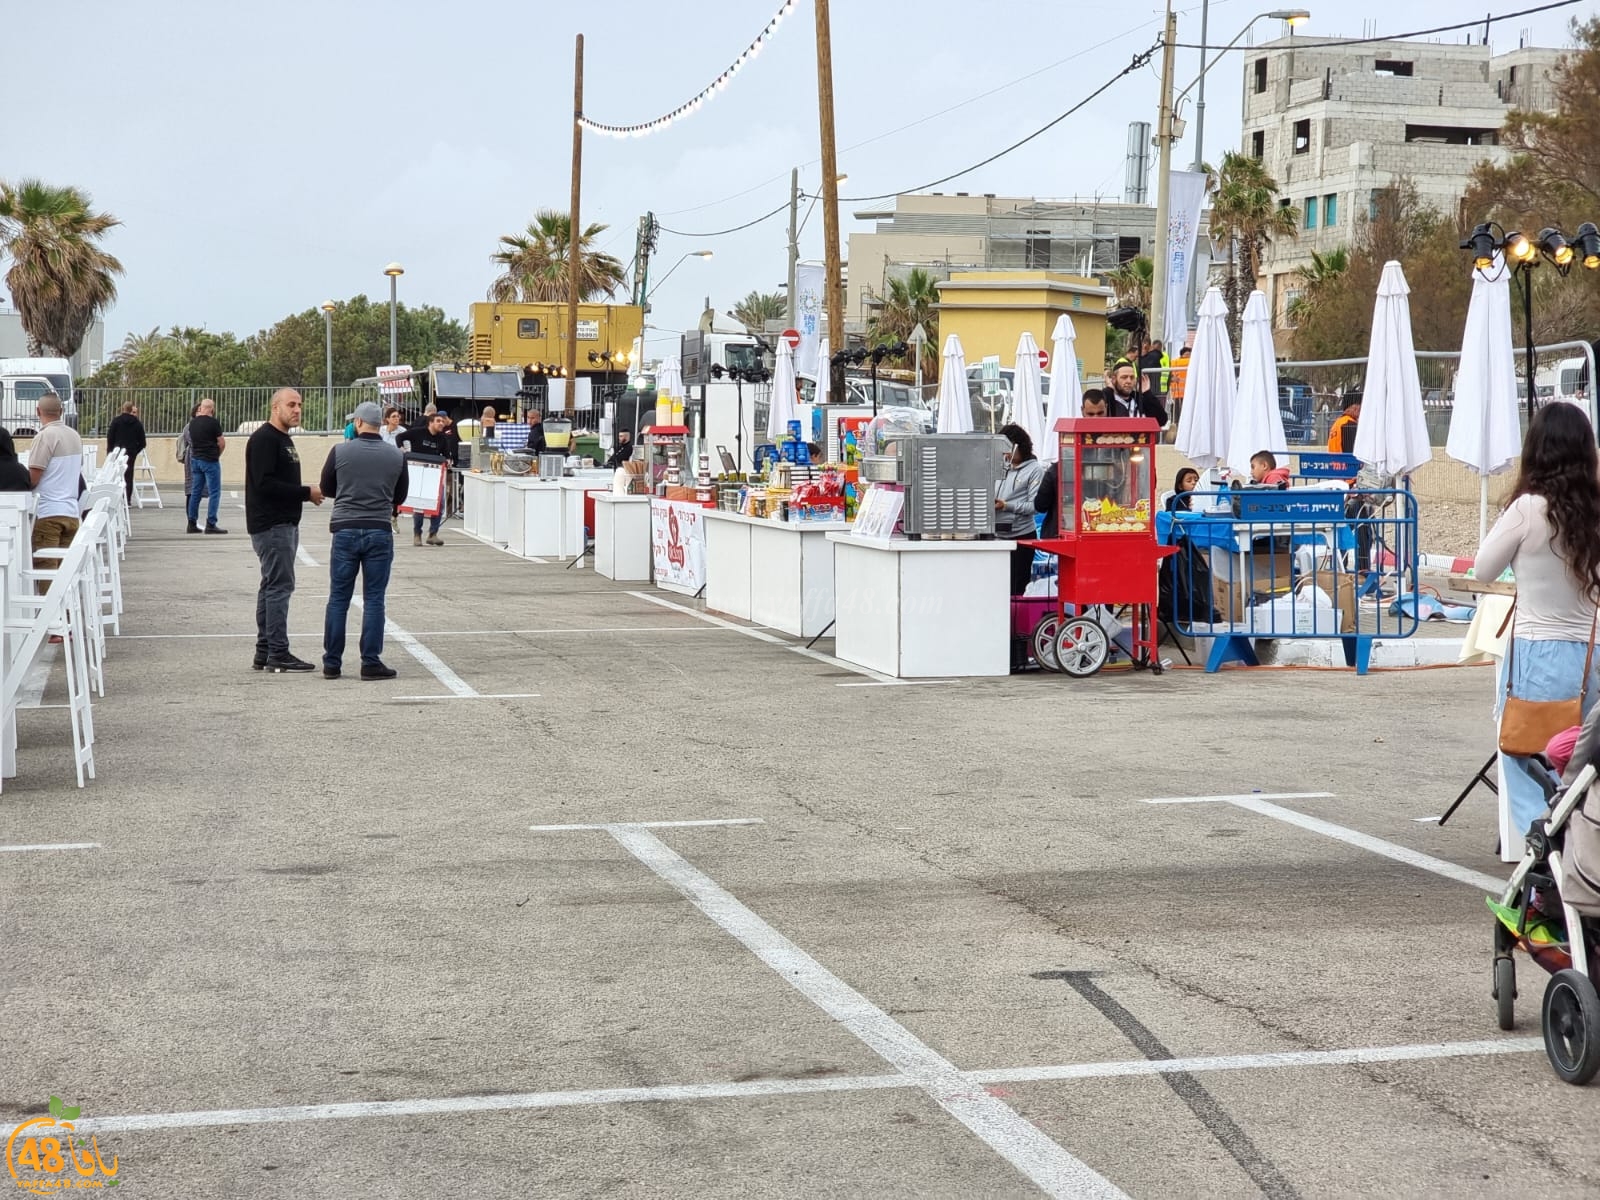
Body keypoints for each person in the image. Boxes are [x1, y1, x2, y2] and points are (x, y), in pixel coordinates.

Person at [1474, 402, 1600, 860]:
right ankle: (1582, 850)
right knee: (1585, 762)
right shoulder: (1596, 509)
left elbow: (1485, 567)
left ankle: (1542, 855)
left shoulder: (1527, 509)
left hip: (1538, 650)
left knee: (1526, 753)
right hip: (1592, 650)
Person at [320, 402, 408, 681]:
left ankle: (332, 662)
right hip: (378, 529)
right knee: (374, 599)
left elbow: (326, 487)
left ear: (358, 423)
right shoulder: (395, 455)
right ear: (380, 424)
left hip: (345, 528)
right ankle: (370, 661)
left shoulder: (340, 451)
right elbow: (401, 495)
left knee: (338, 598)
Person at [246, 388, 325, 673]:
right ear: (275, 407)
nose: (297, 410)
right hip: (272, 525)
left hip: (283, 524)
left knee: (271, 585)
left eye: (300, 405)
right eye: (291, 405)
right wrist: (307, 492)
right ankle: (278, 651)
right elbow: (264, 484)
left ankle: (265, 651)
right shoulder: (265, 439)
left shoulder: (282, 439)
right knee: (279, 587)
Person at [28, 393, 83, 592]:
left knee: (47, 572)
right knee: (64, 571)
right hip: (71, 513)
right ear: (61, 411)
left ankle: (49, 618)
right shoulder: (74, 435)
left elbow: (33, 478)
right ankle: (66, 615)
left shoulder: (44, 436)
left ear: (38, 411)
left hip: (48, 514)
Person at [995, 423, 1046, 596]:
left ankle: (1015, 620)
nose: (1005, 455)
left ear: (1018, 447)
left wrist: (1006, 505)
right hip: (997, 535)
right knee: (998, 585)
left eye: (1008, 450)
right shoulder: (1000, 466)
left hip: (1021, 535)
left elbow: (1035, 506)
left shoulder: (1034, 470)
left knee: (1017, 586)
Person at [395, 411, 451, 546]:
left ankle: (433, 534)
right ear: (430, 423)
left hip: (434, 474)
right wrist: (402, 450)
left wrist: (449, 460)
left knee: (440, 504)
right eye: (438, 421)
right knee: (420, 505)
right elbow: (399, 437)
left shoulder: (442, 438)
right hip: (418, 472)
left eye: (442, 421)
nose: (441, 423)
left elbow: (447, 454)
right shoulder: (417, 432)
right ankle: (417, 534)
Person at [185, 396, 227, 534]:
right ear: (212, 409)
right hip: (210, 460)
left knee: (195, 492)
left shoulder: (193, 423)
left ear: (201, 408)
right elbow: (221, 442)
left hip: (195, 460)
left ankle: (191, 522)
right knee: (214, 492)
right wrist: (217, 454)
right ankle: (211, 523)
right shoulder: (213, 423)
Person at [105, 400, 147, 501]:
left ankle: (115, 498)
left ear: (123, 409)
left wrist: (110, 452)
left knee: (116, 476)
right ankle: (127, 499)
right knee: (129, 476)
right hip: (130, 453)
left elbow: (110, 437)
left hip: (117, 452)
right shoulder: (137, 423)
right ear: (131, 409)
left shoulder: (116, 421)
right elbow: (143, 442)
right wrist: (134, 451)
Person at [1108, 359, 1167, 424]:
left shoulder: (1140, 400)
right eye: (1124, 377)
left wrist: (1147, 394)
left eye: (1132, 377)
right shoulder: (1107, 400)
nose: (1129, 381)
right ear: (1114, 379)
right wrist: (1109, 390)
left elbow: (1161, 420)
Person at [1167, 344, 1191, 440]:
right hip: (1189, 396)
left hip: (1176, 395)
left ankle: (1177, 437)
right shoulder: (1193, 362)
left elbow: (1169, 376)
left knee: (1176, 418)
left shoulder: (1173, 362)